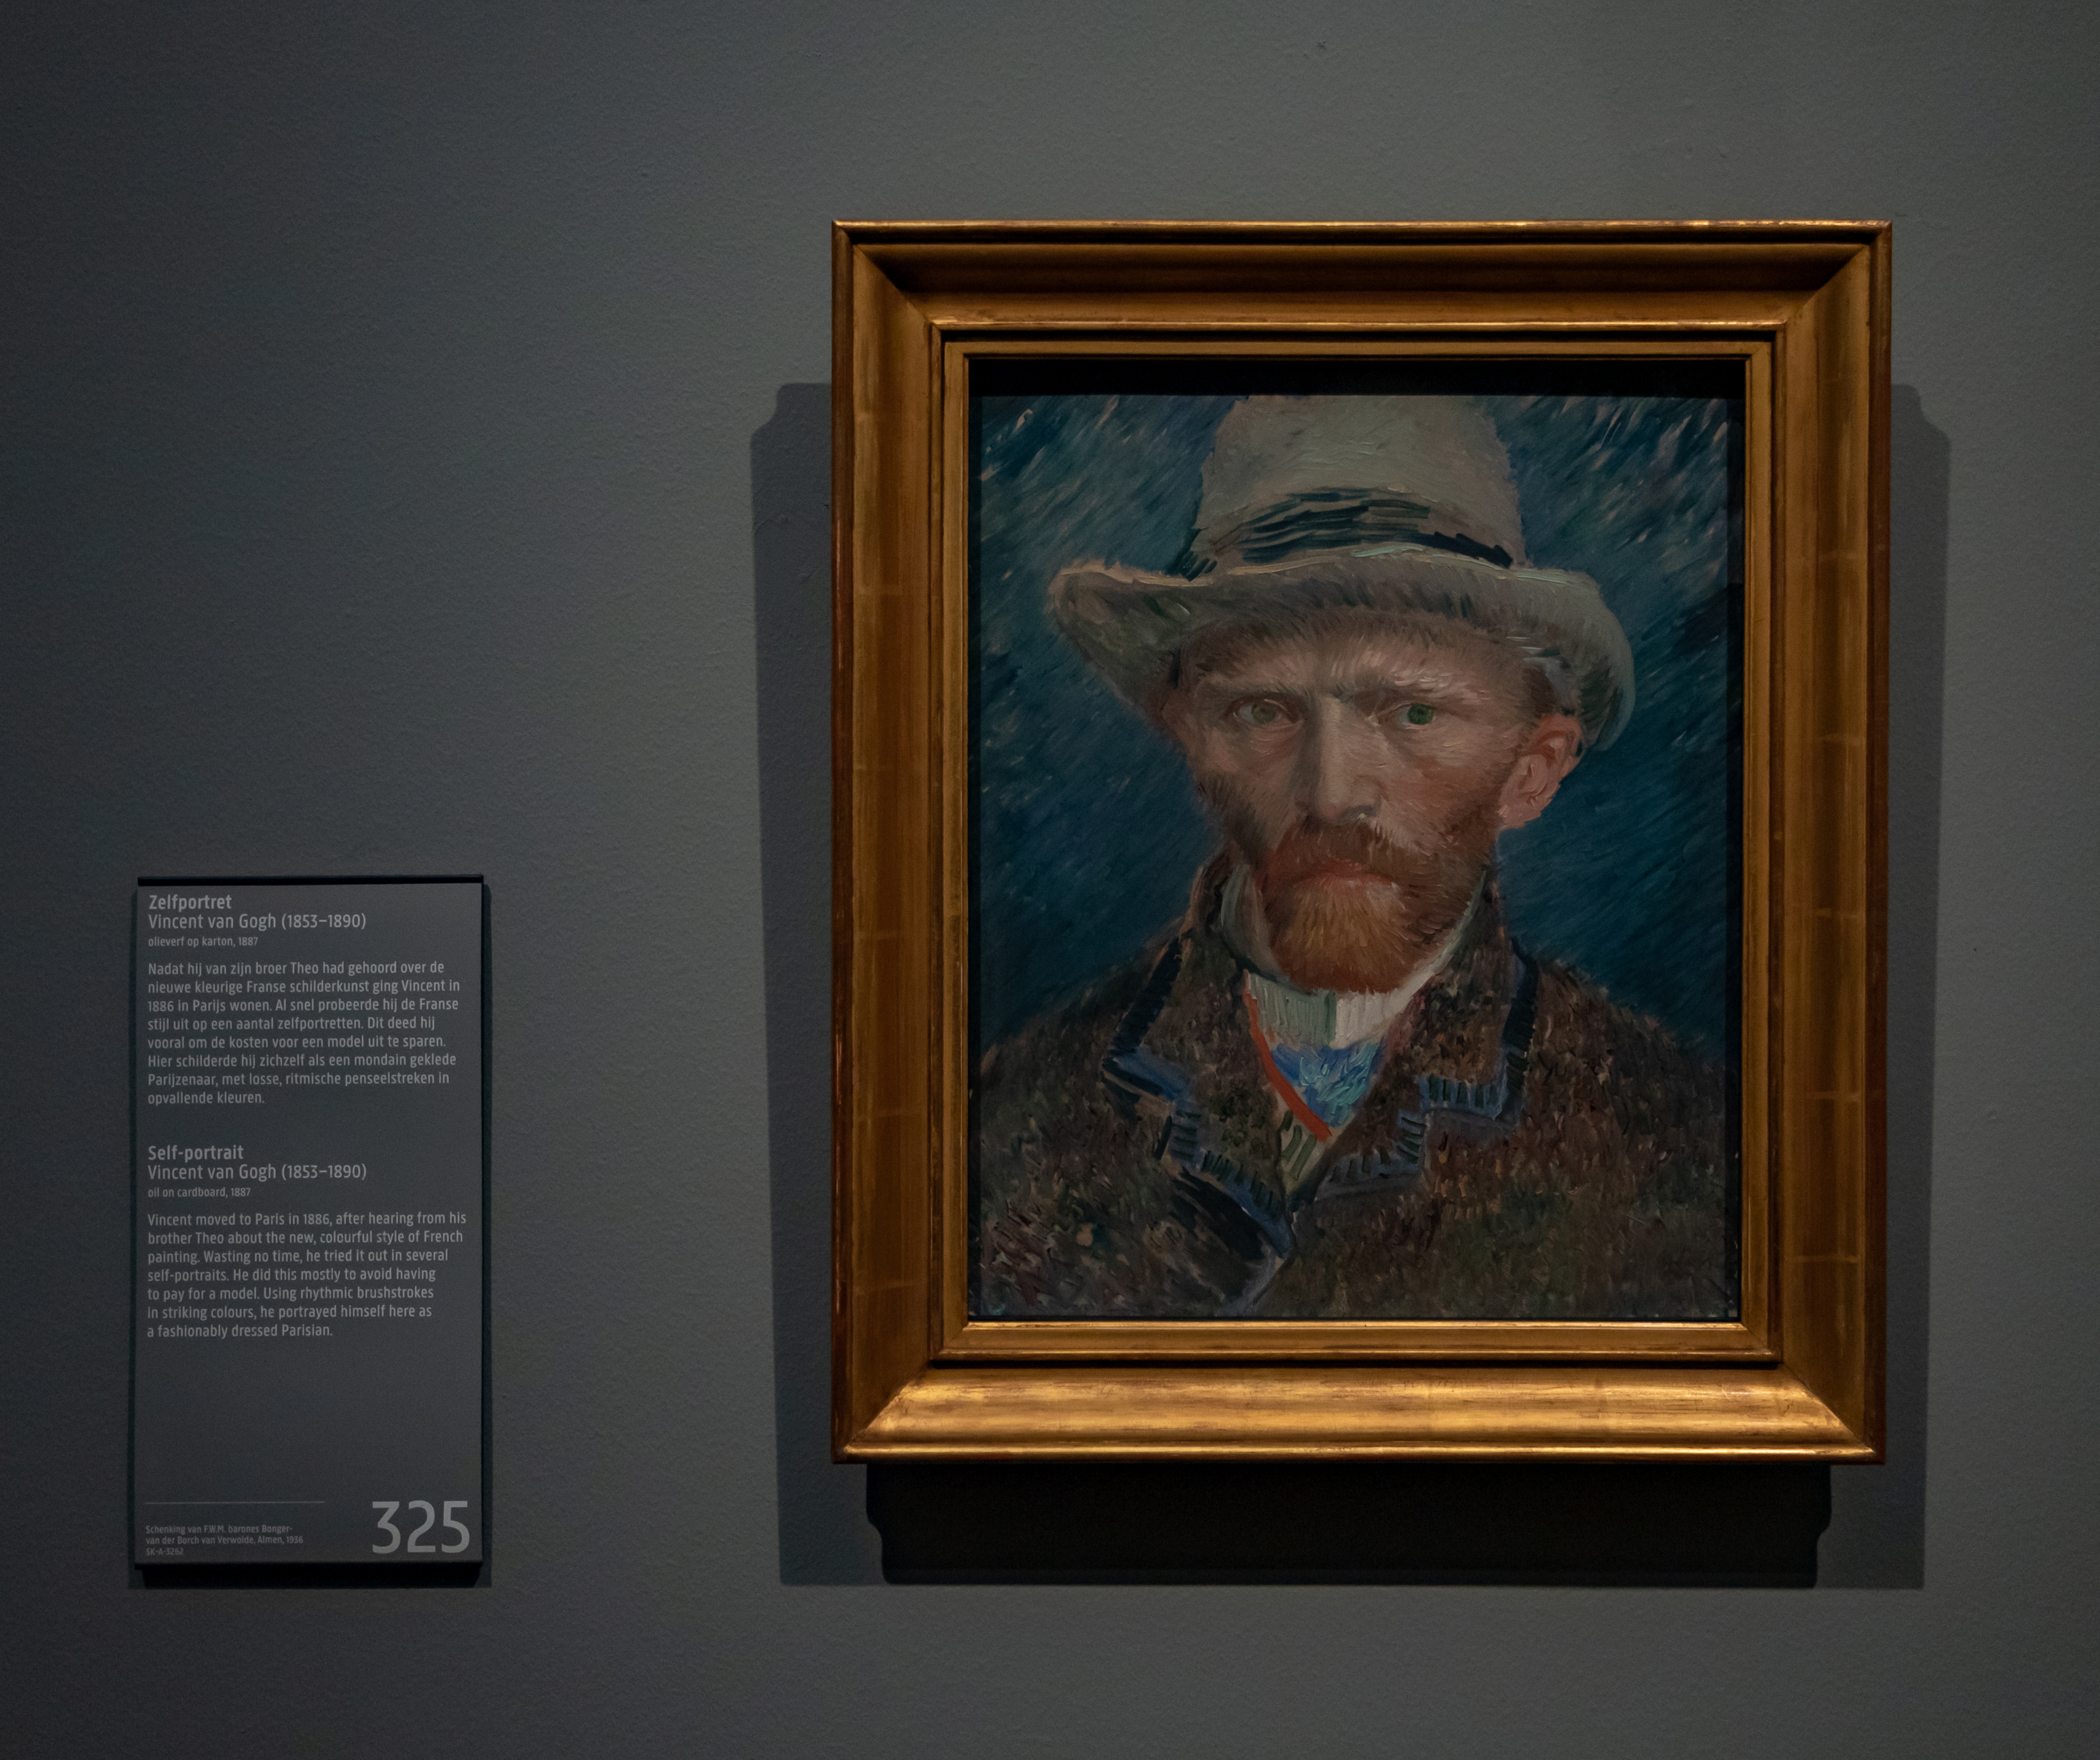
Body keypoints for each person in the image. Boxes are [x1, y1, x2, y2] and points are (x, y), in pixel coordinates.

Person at [974, 395, 1732, 1320]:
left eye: (1412, 713)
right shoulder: (1006, 1121)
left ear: (1530, 772)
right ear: (1189, 741)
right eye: (1261, 711)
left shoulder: (1684, 1145)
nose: (1330, 793)